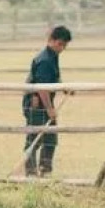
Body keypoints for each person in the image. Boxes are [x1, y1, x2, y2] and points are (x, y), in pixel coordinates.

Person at [23, 25, 71, 176]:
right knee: (35, 138)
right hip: (36, 103)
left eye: (64, 45)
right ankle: (31, 171)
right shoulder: (44, 60)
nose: (62, 48)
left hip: (45, 102)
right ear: (51, 40)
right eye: (60, 44)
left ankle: (45, 169)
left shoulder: (53, 56)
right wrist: (50, 109)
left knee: (50, 138)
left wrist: (64, 87)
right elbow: (42, 88)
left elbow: (54, 77)